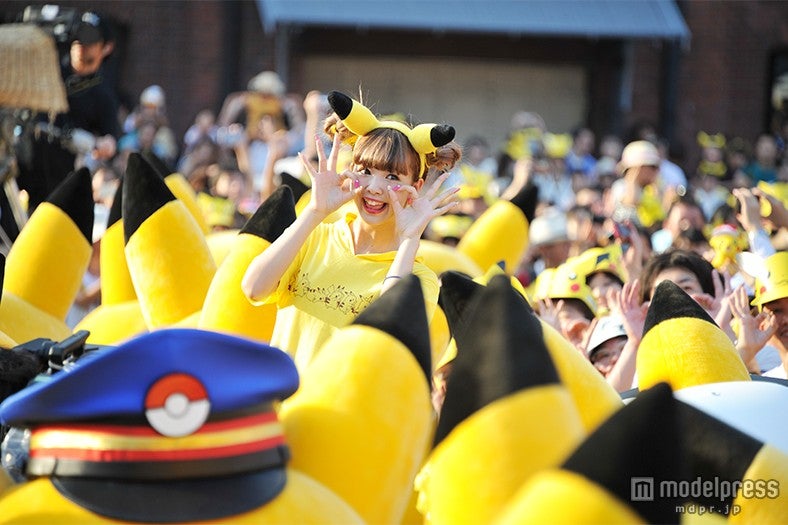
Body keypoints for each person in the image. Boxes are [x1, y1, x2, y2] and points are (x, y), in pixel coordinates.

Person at [241, 91, 461, 371]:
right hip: (282, 397)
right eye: (365, 171)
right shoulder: (314, 237)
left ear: (415, 188)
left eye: (392, 176)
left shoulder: (419, 278)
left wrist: (409, 240)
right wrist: (314, 212)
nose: (374, 188)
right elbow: (254, 289)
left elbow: (387, 334)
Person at [14, 10, 119, 218]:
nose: (81, 46)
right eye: (78, 39)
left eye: (89, 42)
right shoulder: (48, 72)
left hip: (59, 181)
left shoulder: (102, 94)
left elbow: (110, 140)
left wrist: (100, 144)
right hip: (22, 167)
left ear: (106, 48)